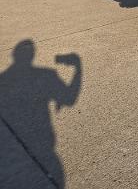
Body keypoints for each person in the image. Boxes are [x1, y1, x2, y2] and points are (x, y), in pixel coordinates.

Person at [0, 40, 81, 188]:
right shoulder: (46, 75)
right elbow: (69, 99)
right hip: (46, 154)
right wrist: (78, 67)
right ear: (32, 55)